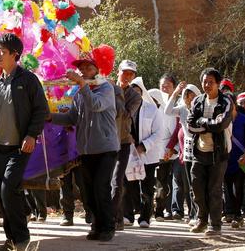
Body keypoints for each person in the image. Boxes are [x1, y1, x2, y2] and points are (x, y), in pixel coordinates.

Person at [0, 33, 49, 251]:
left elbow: (42, 110)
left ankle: (21, 238)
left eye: (2, 51)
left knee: (9, 188)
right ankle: (11, 239)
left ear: (15, 55)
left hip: (20, 147)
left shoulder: (28, 80)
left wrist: (31, 135)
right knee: (3, 192)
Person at [50, 44, 119, 241]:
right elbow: (72, 118)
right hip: (87, 150)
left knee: (101, 187)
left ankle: (108, 226)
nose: (84, 71)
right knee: (88, 192)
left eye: (89, 68)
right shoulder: (80, 92)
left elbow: (96, 105)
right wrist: (49, 117)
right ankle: (97, 226)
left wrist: (81, 84)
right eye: (82, 69)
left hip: (106, 148)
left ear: (97, 70)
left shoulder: (106, 88)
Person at [187, 68, 232, 236]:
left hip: (219, 153)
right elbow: (190, 125)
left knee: (214, 189)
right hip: (199, 151)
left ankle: (215, 224)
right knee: (197, 187)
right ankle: (201, 220)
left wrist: (202, 122)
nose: (207, 85)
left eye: (210, 82)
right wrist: (209, 124)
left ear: (217, 83)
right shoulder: (197, 101)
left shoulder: (225, 101)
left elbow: (221, 125)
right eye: (204, 82)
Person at [125, 77, 162, 228]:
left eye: (137, 91)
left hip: (148, 155)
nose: (135, 94)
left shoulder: (152, 109)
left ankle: (145, 217)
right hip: (128, 153)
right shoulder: (124, 109)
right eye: (131, 91)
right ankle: (127, 215)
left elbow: (157, 132)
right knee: (128, 185)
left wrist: (143, 146)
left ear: (142, 93)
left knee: (146, 188)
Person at [163, 82, 201, 223]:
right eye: (187, 96)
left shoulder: (202, 108)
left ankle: (201, 214)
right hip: (187, 150)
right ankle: (193, 215)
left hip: (201, 147)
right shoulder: (182, 109)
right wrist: (175, 92)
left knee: (198, 183)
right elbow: (167, 111)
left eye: (192, 96)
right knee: (190, 184)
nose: (190, 99)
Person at [111, 60, 142, 231]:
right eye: (125, 72)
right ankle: (109, 216)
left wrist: (116, 92)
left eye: (131, 74)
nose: (127, 76)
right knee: (104, 182)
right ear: (118, 71)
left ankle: (116, 219)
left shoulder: (135, 96)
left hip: (122, 142)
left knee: (117, 181)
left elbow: (124, 113)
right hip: (104, 141)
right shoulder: (106, 87)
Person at [223, 87, 245, 229]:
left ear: (234, 103)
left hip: (241, 159)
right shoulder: (221, 119)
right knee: (228, 188)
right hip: (226, 159)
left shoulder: (244, 119)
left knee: (239, 188)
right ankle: (230, 212)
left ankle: (238, 215)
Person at [154, 74, 178, 221]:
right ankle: (159, 211)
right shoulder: (155, 103)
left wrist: (173, 147)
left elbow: (178, 129)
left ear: (174, 88)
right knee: (161, 182)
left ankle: (176, 210)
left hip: (176, 149)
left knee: (178, 182)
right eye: (162, 85)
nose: (165, 88)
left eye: (168, 85)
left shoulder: (179, 103)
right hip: (160, 150)